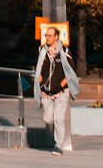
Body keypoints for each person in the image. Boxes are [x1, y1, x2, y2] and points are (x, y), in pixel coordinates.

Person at [34, 25, 80, 154]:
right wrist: (39, 80)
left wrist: (62, 85)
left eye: (49, 36)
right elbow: (39, 68)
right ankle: (56, 134)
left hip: (61, 92)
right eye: (46, 35)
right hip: (46, 92)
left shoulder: (64, 51)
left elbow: (71, 72)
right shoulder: (41, 51)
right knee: (48, 119)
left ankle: (58, 145)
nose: (46, 38)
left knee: (59, 118)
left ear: (56, 37)